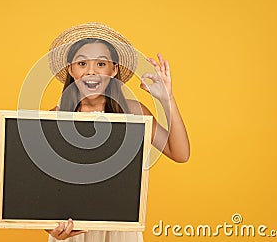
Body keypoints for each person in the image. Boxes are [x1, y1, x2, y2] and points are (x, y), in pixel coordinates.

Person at [45, 22, 190, 241]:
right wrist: (50, 227)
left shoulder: (133, 112)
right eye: (82, 63)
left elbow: (180, 153)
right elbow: (41, 186)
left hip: (121, 231)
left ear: (114, 70)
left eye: (101, 64)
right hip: (73, 232)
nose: (91, 71)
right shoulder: (53, 118)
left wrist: (166, 99)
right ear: (71, 70)